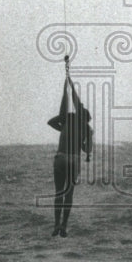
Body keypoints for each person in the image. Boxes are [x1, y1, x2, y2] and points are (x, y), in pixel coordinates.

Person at [47, 78, 93, 237]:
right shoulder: (85, 128)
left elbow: (50, 122)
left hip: (60, 158)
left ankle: (55, 225)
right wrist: (85, 140)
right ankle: (64, 226)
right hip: (73, 160)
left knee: (58, 192)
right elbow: (88, 150)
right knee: (69, 194)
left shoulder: (68, 119)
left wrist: (68, 84)